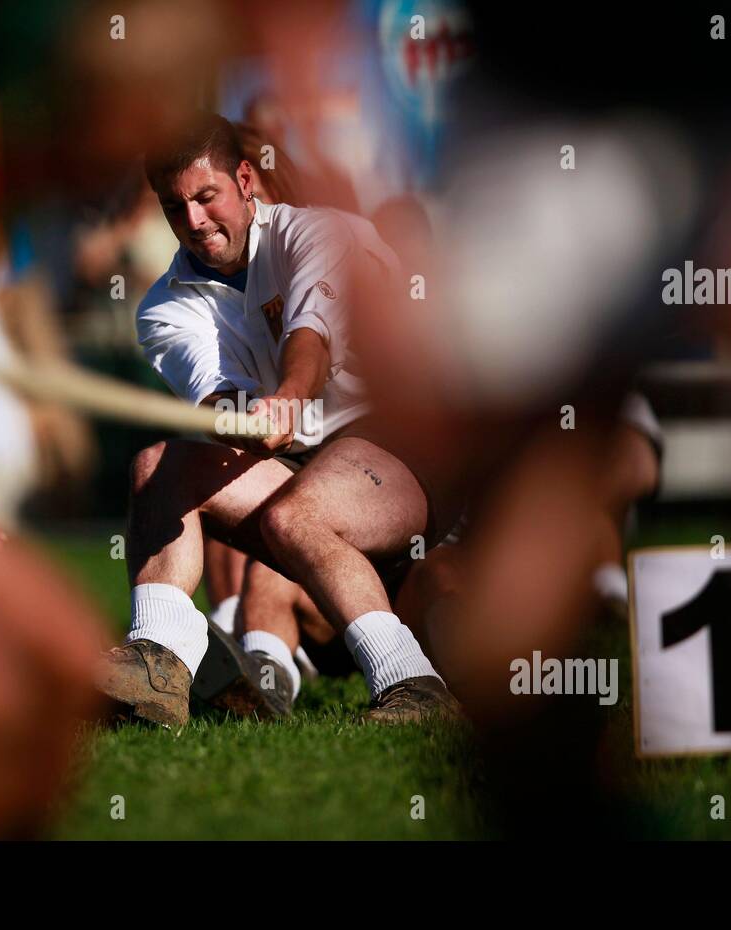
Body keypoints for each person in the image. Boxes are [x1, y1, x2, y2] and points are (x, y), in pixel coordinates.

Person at [96, 113, 461, 727]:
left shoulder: (323, 235)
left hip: (395, 453)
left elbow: (311, 340)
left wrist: (289, 396)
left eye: (206, 197)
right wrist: (238, 416)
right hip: (297, 465)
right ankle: (159, 661)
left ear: (244, 181)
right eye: (173, 206)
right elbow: (216, 396)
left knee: (301, 513)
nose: (193, 223)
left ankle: (414, 686)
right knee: (157, 465)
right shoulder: (162, 308)